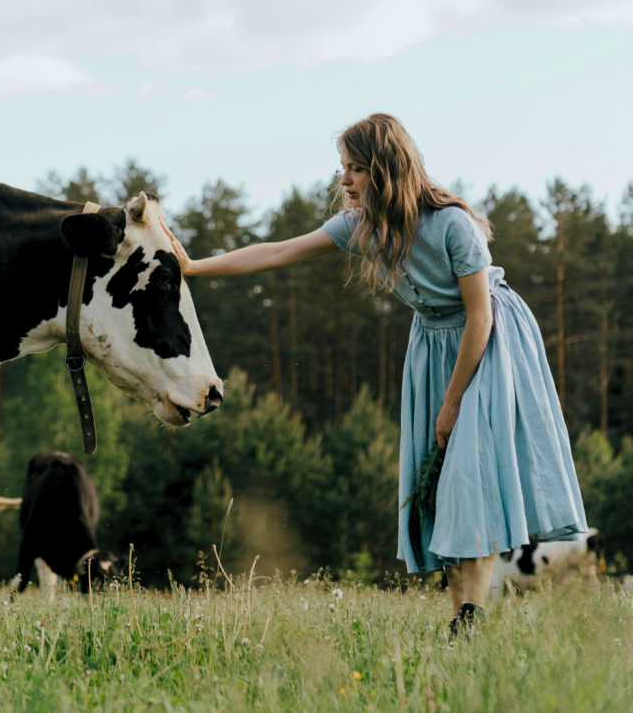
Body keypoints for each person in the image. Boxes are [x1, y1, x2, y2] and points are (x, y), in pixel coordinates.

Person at [162, 113, 586, 635]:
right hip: (431, 345)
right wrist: (195, 266)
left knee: (468, 477)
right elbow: (277, 251)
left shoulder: (453, 224)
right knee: (436, 483)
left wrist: (452, 403)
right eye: (343, 168)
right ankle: (461, 619)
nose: (344, 180)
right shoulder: (360, 227)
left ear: (386, 169)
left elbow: (480, 316)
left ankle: (471, 617)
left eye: (355, 169)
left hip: (487, 344)